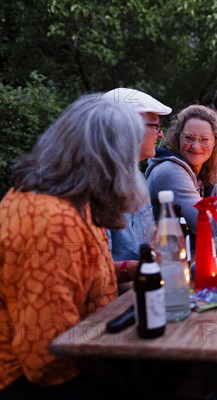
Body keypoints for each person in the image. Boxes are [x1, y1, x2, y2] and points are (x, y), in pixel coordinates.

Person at [0, 94, 146, 399]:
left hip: (85, 351)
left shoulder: (75, 203)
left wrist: (127, 270)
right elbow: (47, 358)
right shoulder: (52, 219)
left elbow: (74, 277)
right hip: (23, 379)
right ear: (110, 160)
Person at [103, 88, 172, 287]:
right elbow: (96, 269)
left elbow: (147, 245)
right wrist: (138, 270)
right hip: (114, 306)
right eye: (155, 125)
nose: (160, 133)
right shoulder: (99, 186)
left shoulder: (138, 177)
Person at [145, 105, 217, 237]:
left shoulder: (208, 167)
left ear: (214, 142)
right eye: (189, 138)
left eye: (204, 139)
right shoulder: (170, 171)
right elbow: (206, 225)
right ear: (178, 138)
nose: (196, 146)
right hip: (166, 254)